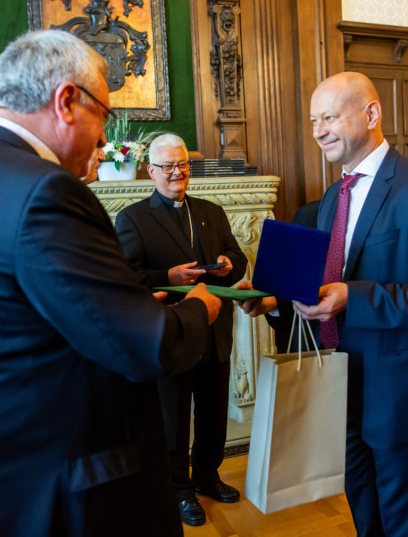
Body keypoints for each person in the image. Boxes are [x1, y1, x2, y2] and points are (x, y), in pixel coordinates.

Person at [0, 30, 222, 537]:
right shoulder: (46, 190)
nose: (105, 142)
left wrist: (124, 301)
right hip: (23, 495)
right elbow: (147, 347)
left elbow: (22, 317)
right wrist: (198, 309)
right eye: (103, 116)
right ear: (66, 101)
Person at [239, 71, 408, 536]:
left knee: (407, 524)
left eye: (329, 117)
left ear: (371, 113)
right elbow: (328, 285)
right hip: (339, 386)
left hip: (398, 393)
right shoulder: (332, 197)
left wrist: (354, 298)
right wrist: (276, 302)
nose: (318, 131)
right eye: (313, 121)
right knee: (365, 517)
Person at [114, 133, 248, 527]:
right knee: (173, 419)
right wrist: (168, 276)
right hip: (173, 331)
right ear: (151, 170)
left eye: (183, 164)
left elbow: (237, 256)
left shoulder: (211, 210)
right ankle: (179, 489)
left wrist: (229, 263)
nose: (178, 172)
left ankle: (207, 475)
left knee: (213, 413)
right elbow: (127, 277)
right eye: (169, 166)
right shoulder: (133, 218)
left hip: (214, 330)